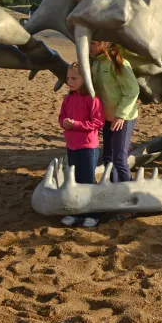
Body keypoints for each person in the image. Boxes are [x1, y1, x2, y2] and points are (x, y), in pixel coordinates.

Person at [58, 62, 105, 227]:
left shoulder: (92, 99)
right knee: (75, 179)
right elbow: (61, 117)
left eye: (74, 78)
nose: (69, 81)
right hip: (72, 146)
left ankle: (93, 213)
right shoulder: (68, 98)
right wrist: (64, 122)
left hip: (88, 146)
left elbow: (98, 122)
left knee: (88, 180)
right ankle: (77, 213)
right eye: (67, 78)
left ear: (85, 79)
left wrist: (76, 125)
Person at [89, 41, 140, 191]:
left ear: (105, 43)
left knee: (119, 159)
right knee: (108, 158)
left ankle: (129, 197)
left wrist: (121, 115)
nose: (89, 46)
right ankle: (114, 190)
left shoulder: (119, 63)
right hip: (107, 118)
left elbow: (132, 91)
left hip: (123, 119)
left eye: (93, 43)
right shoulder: (97, 63)